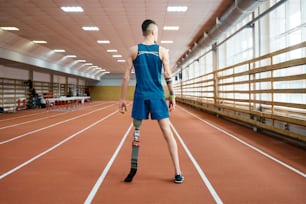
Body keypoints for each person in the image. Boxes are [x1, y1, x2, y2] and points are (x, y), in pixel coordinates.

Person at [119, 19, 184, 184]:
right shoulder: (162, 51)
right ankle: (177, 172)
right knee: (167, 133)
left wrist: (122, 99)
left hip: (140, 96)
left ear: (143, 33)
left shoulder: (134, 50)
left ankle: (133, 165)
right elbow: (168, 75)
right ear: (154, 32)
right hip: (157, 96)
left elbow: (126, 76)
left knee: (136, 130)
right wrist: (173, 97)